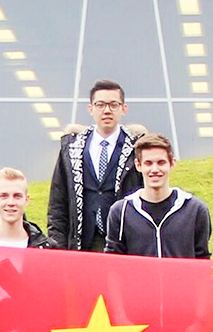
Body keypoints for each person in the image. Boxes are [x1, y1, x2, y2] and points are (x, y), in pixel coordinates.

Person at [47, 80, 145, 252]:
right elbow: (58, 202)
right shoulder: (72, 148)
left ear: (123, 109)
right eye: (100, 105)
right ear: (90, 109)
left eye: (113, 104)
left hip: (124, 244)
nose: (107, 110)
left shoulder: (137, 148)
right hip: (82, 244)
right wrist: (58, 246)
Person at [103, 134, 211, 259]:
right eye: (148, 163)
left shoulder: (196, 210)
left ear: (172, 164)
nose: (155, 169)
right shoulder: (120, 211)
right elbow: (113, 261)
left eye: (161, 163)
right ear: (138, 165)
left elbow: (202, 259)